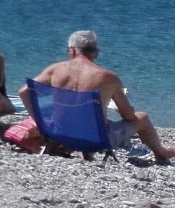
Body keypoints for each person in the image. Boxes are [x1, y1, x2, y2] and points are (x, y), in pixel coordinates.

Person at [21, 30, 174, 163]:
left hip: (58, 134)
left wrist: (42, 124)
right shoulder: (108, 77)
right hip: (94, 140)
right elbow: (129, 116)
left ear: (73, 51)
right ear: (96, 53)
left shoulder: (55, 69)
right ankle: (162, 154)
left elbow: (23, 92)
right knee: (143, 117)